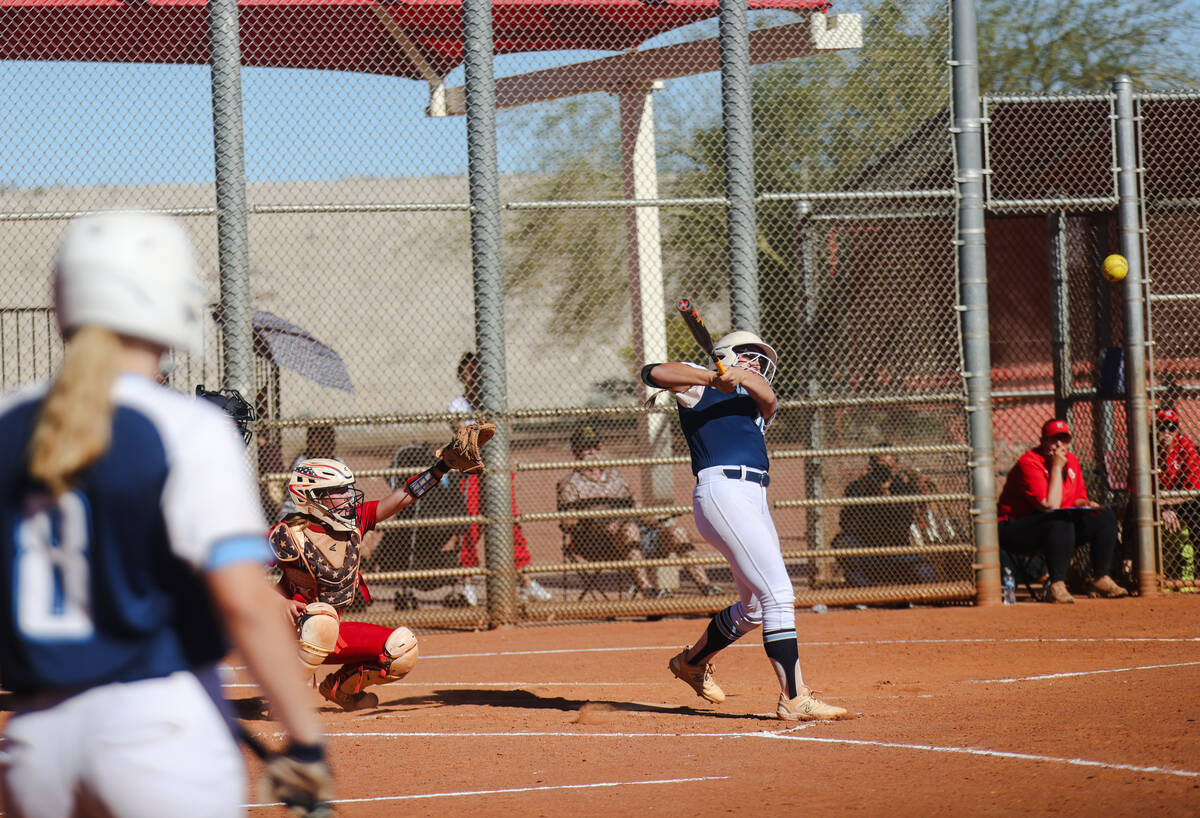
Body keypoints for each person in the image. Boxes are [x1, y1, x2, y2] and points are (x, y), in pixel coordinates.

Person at [0, 211, 331, 817]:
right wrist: (306, 744)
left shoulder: (8, 423)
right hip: (157, 734)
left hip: (33, 745)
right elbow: (244, 602)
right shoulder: (186, 428)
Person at [643, 330, 849, 721]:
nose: (756, 363)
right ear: (725, 356)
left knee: (755, 608)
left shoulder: (757, 403)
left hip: (755, 498)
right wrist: (708, 378)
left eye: (760, 358)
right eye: (748, 356)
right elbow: (652, 372)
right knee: (778, 593)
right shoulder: (700, 386)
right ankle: (795, 696)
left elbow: (769, 396)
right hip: (722, 491)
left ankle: (691, 662)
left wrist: (738, 376)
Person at [269, 434, 486, 710]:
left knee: (401, 648)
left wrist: (441, 467)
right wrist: (282, 602)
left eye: (347, 489)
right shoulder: (288, 535)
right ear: (312, 497)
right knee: (320, 620)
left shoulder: (354, 521)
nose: (348, 496)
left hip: (328, 633)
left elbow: (403, 497)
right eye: (338, 491)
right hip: (286, 638)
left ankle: (340, 688)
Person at [557, 423, 722, 597]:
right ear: (576, 451)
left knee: (677, 532)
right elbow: (568, 524)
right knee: (630, 529)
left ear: (600, 447)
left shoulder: (616, 476)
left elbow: (638, 509)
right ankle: (648, 590)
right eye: (585, 448)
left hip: (633, 538)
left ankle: (707, 588)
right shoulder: (570, 483)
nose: (591, 452)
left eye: (594, 446)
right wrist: (596, 523)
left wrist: (655, 519)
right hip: (597, 544)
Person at [447, 350, 552, 604]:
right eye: (470, 371)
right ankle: (467, 582)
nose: (474, 376)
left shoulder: (495, 401)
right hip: (471, 469)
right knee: (470, 524)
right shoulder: (457, 405)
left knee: (510, 521)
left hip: (498, 468)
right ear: (463, 375)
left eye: (478, 371)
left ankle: (525, 582)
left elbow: (504, 433)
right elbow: (466, 438)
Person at [997, 418, 1129, 603]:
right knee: (1059, 519)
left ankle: (1101, 578)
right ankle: (1057, 584)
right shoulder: (1030, 462)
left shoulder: (1072, 461)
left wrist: (1087, 504)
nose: (1059, 444)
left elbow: (1077, 497)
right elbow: (1049, 505)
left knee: (1104, 516)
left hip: (1054, 525)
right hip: (1015, 528)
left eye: (1064, 439)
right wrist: (1057, 467)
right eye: (1053, 439)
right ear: (1043, 441)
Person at [833, 443, 938, 587]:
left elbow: (903, 523)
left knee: (927, 574)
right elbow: (846, 523)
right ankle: (866, 592)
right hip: (867, 549)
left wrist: (888, 493)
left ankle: (902, 594)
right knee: (843, 542)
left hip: (896, 549)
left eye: (888, 466)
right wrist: (868, 490)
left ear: (895, 468)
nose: (883, 471)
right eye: (879, 466)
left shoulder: (902, 487)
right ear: (871, 466)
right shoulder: (858, 487)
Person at [1154, 408, 1200, 587]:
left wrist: (1169, 504)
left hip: (1181, 502)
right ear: (1154, 430)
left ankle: (1196, 566)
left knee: (1196, 509)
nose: (1166, 433)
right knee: (1131, 510)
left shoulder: (1185, 446)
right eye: (1162, 427)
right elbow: (1141, 491)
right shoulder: (1148, 450)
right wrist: (1162, 506)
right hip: (1157, 503)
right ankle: (1128, 566)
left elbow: (1194, 488)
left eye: (1172, 428)